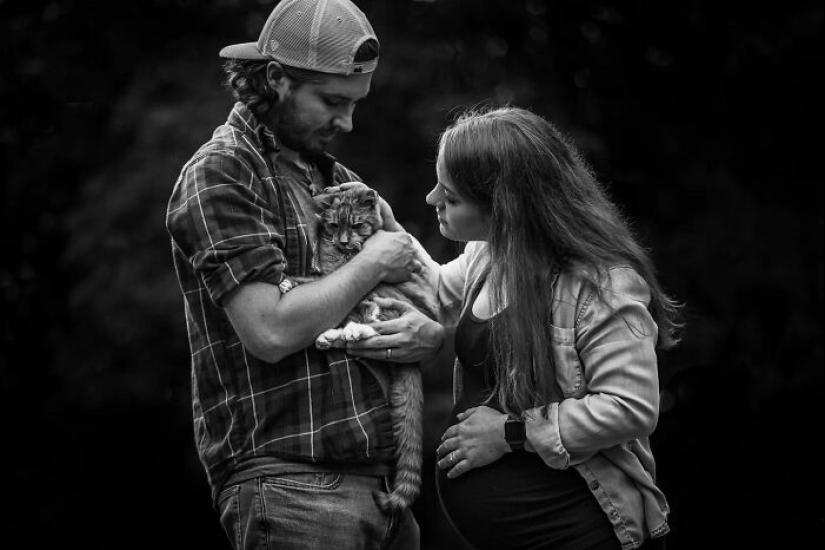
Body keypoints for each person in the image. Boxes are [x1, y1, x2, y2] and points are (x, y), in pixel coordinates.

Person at [165, 1, 440, 548]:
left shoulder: (336, 179)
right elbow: (269, 330)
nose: (347, 122)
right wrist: (373, 261)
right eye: (333, 101)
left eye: (355, 104)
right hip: (293, 486)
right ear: (276, 78)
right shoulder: (223, 171)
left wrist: (425, 335)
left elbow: (409, 300)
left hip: (386, 489)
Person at [346, 106, 682, 549]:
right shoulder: (490, 256)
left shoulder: (600, 286)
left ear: (503, 208)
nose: (431, 199)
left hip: (582, 530)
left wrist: (511, 434)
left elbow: (630, 407)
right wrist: (386, 231)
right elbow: (435, 288)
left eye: (451, 196)